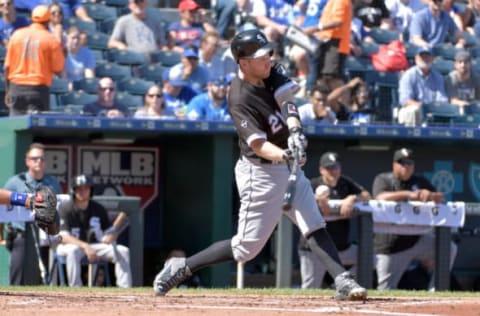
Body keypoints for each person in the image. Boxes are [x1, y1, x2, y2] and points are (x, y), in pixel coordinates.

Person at [153, 29, 367, 301]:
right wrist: (286, 155)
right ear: (243, 63)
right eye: (260, 56)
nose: (268, 58)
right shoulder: (239, 98)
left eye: (268, 52)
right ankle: (182, 267)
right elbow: (258, 145)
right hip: (260, 173)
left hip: (285, 166)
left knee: (314, 223)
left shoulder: (270, 70)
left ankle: (342, 280)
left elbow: (287, 101)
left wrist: (296, 130)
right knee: (245, 249)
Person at [372, 148, 457, 290]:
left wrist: (430, 195)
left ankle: (435, 290)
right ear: (394, 165)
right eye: (402, 163)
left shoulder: (419, 181)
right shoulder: (384, 179)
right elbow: (380, 197)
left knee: (449, 247)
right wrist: (408, 194)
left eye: (409, 163)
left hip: (417, 241)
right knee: (385, 291)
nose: (406, 166)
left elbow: (440, 198)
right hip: (391, 246)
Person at [298, 152, 371, 288]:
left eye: (335, 167)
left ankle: (338, 285)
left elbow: (366, 195)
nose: (333, 171)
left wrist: (351, 199)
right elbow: (298, 202)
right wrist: (318, 201)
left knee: (367, 259)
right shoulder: (313, 184)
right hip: (315, 247)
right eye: (329, 168)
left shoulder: (345, 183)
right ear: (321, 170)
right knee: (310, 287)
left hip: (342, 248)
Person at [56, 174, 132, 288]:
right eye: (79, 189)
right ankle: (75, 288)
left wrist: (111, 236)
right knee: (73, 251)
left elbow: (110, 231)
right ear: (73, 190)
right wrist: (86, 246)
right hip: (70, 246)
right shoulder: (65, 208)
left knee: (123, 251)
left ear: (91, 190)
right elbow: (64, 237)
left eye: (86, 188)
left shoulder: (98, 208)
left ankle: (125, 288)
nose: (83, 192)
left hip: (95, 246)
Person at [3, 142, 62, 285]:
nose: (39, 162)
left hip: (45, 234)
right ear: (27, 161)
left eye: (42, 159)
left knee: (45, 277)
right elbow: (2, 207)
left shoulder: (52, 182)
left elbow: (59, 208)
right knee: (18, 276)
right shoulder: (16, 182)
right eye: (35, 158)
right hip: (21, 233)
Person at [4, 5, 65, 115]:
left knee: (16, 126)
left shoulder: (16, 35)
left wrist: (8, 90)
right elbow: (59, 69)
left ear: (32, 18)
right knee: (38, 129)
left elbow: (7, 67)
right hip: (38, 90)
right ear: (48, 21)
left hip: (16, 88)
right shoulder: (51, 39)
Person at [307, 0, 353, 93]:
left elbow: (337, 21)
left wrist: (316, 28)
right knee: (324, 78)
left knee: (334, 78)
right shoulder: (331, 1)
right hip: (327, 43)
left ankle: (344, 105)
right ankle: (328, 103)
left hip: (337, 44)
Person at [397, 46, 448, 126]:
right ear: (416, 58)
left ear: (432, 58)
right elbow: (405, 100)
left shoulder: (438, 77)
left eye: (427, 56)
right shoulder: (409, 75)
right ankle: (411, 137)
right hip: (415, 110)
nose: (425, 59)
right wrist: (424, 108)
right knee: (413, 111)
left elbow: (442, 99)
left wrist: (433, 109)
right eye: (422, 56)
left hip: (433, 111)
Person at [445, 50, 480, 114]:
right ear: (455, 64)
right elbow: (452, 100)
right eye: (460, 62)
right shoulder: (450, 78)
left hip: (473, 108)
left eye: (466, 62)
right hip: (456, 108)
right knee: (461, 109)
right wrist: (465, 105)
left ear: (471, 64)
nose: (463, 65)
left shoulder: (477, 78)